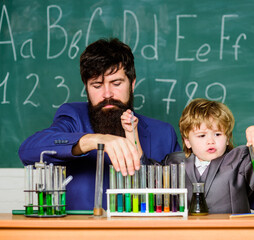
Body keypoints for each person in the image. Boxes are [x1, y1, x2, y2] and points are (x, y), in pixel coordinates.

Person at [18, 38, 181, 210]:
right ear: (86, 88)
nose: (107, 94)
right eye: (97, 85)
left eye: (116, 83)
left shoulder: (164, 133)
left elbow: (179, 196)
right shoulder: (73, 117)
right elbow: (28, 151)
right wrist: (93, 140)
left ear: (132, 84)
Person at [134, 98, 254, 213]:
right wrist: (132, 133)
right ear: (187, 141)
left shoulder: (237, 160)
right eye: (202, 136)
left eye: (217, 134)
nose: (210, 141)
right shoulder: (174, 162)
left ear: (227, 138)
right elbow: (146, 174)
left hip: (232, 234)